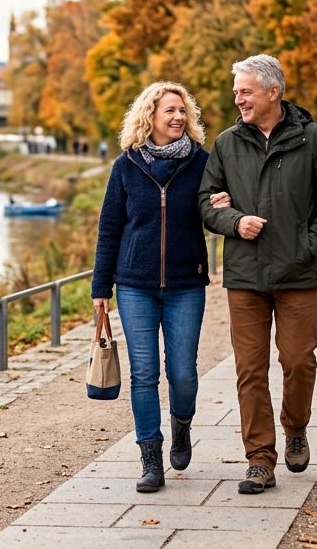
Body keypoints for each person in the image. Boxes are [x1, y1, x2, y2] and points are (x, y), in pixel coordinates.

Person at [198, 54, 317, 496]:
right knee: (250, 369)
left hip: (297, 273)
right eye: (236, 92)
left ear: (272, 92)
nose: (238, 99)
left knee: (298, 360)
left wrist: (308, 245)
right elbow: (206, 201)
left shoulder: (314, 140)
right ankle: (259, 460)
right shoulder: (227, 144)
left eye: (245, 91)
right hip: (245, 276)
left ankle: (296, 427)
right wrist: (233, 223)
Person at [93, 80, 212, 494]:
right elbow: (109, 229)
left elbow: (217, 209)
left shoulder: (202, 163)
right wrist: (99, 288)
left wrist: (226, 204)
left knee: (182, 373)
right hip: (134, 285)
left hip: (186, 283)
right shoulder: (126, 166)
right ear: (151, 117)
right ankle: (150, 457)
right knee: (144, 374)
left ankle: (181, 424)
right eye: (170, 111)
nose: (179, 117)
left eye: (183, 111)